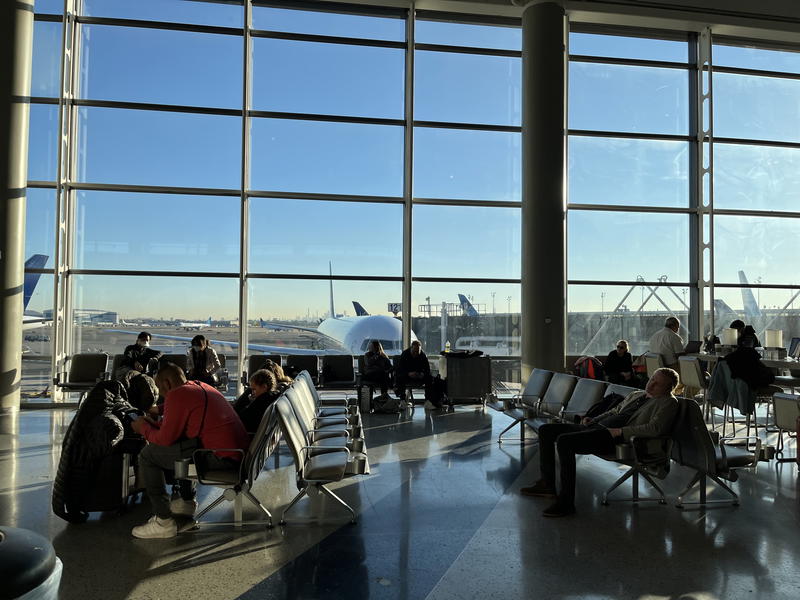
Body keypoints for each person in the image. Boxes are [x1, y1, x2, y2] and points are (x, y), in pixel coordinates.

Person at [520, 368, 680, 518]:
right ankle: (547, 484)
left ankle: (566, 502)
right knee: (546, 430)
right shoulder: (637, 394)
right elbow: (614, 411)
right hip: (599, 428)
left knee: (564, 442)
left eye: (657, 383)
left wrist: (620, 431)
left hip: (615, 438)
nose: (651, 384)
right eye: (652, 379)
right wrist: (593, 419)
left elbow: (655, 428)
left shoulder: (668, 403)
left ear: (669, 388)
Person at [130, 363, 249, 539]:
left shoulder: (177, 395)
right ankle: (187, 502)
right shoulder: (198, 385)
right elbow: (181, 408)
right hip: (237, 454)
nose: (161, 395)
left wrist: (143, 429)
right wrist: (157, 411)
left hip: (223, 459)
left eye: (160, 389)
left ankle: (163, 521)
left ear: (168, 383)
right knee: (185, 445)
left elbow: (165, 439)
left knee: (148, 455)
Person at [232, 369, 281, 434]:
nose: (252, 392)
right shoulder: (272, 397)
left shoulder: (261, 402)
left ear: (264, 387)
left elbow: (242, 419)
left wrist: (251, 403)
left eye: (254, 389)